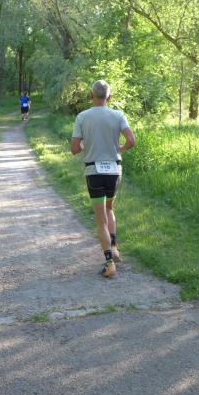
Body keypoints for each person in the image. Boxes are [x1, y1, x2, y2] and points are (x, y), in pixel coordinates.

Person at [70, 80, 135, 277]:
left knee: (101, 220)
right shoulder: (118, 115)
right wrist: (119, 149)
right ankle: (114, 248)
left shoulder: (82, 117)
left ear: (91, 96)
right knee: (109, 208)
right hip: (114, 170)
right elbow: (131, 141)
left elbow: (74, 149)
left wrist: (85, 146)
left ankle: (109, 263)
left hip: (94, 171)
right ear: (109, 97)